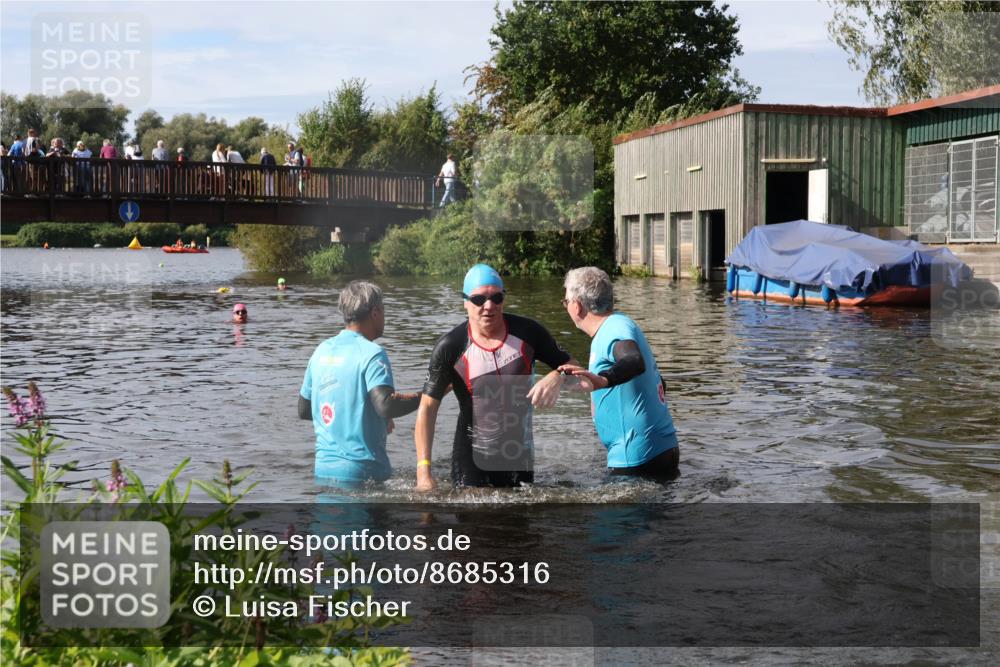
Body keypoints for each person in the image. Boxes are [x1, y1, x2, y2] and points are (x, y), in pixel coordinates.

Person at [415, 264, 578, 490]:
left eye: (496, 298)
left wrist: (557, 374)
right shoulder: (450, 346)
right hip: (470, 458)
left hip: (518, 455)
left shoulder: (529, 332)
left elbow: (575, 368)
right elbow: (427, 408)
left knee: (517, 522)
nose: (489, 306)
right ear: (465, 302)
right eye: (478, 300)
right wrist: (423, 472)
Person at [557, 267, 680, 480]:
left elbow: (633, 361)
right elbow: (656, 381)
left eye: (565, 302)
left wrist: (604, 379)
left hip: (637, 456)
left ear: (576, 306)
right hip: (657, 448)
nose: (566, 307)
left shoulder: (612, 330)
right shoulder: (621, 324)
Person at [299, 281, 421, 486]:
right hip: (363, 472)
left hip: (323, 471)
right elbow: (386, 404)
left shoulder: (321, 350)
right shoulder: (372, 353)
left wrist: (364, 414)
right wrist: (431, 393)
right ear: (375, 312)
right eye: (383, 311)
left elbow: (304, 409)